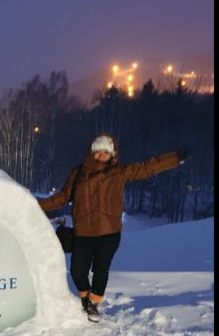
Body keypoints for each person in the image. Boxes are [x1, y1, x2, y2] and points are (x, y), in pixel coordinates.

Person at [38, 132, 189, 321]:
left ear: (112, 154)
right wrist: (35, 204)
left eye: (105, 152)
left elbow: (147, 168)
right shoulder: (78, 173)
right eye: (98, 151)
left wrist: (175, 159)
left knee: (100, 269)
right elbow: (62, 197)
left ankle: (93, 304)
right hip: (83, 232)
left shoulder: (118, 172)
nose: (101, 155)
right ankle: (85, 297)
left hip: (109, 233)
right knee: (77, 271)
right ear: (91, 152)